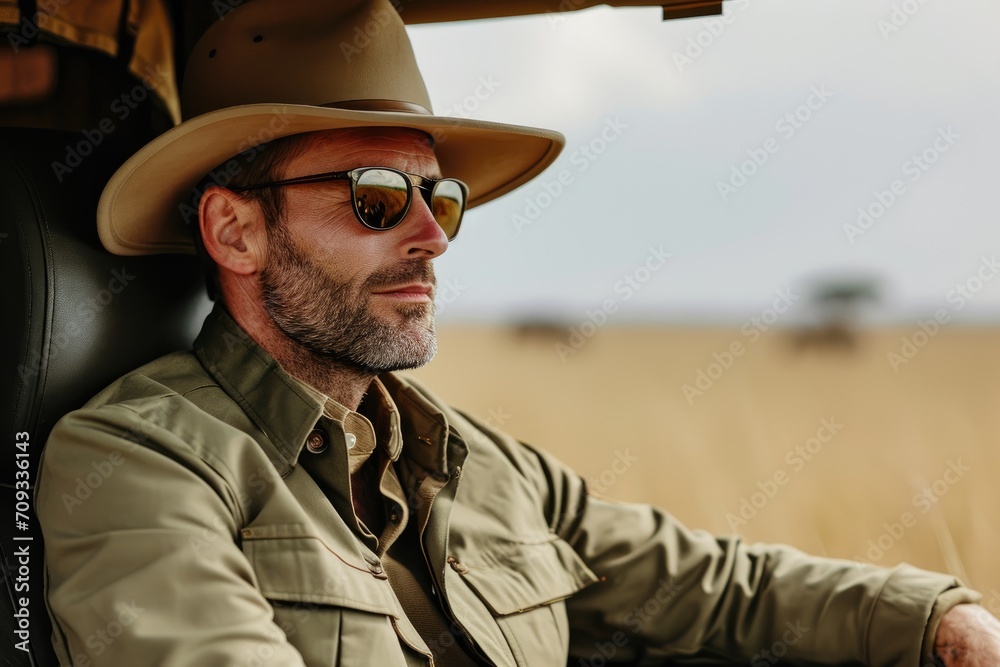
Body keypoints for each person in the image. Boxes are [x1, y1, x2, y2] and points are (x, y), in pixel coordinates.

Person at [35, 0, 1000, 665]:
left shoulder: (481, 463)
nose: (430, 237)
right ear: (234, 231)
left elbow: (717, 586)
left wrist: (938, 622)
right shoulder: (139, 462)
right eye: (376, 199)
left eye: (441, 198)